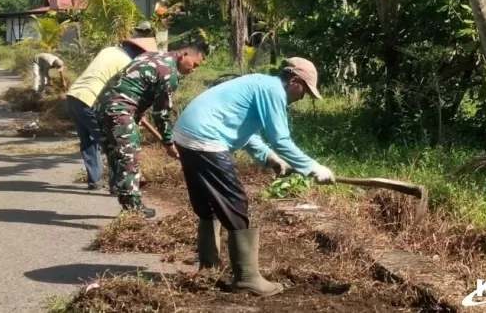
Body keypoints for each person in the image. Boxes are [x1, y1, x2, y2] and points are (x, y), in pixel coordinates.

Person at [170, 57, 336, 297]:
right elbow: (281, 139)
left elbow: (243, 130)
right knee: (235, 204)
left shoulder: (259, 84)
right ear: (294, 80)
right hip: (206, 139)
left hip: (186, 135)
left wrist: (270, 157)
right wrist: (313, 167)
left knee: (210, 204)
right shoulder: (273, 90)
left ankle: (208, 267)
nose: (303, 97)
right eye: (305, 91)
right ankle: (247, 278)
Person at [94, 43, 208, 218]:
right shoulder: (169, 73)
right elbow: (161, 113)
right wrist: (169, 141)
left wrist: (137, 112)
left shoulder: (150, 55)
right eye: (195, 64)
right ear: (184, 54)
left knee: (115, 152)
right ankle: (133, 207)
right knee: (129, 155)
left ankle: (120, 189)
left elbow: (133, 83)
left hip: (103, 106)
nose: (194, 70)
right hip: (120, 110)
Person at [65, 38, 158, 191]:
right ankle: (119, 185)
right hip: (92, 100)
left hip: (74, 96)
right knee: (112, 143)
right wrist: (137, 112)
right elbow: (124, 93)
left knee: (89, 141)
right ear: (140, 52)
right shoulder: (128, 63)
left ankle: (94, 180)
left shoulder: (109, 50)